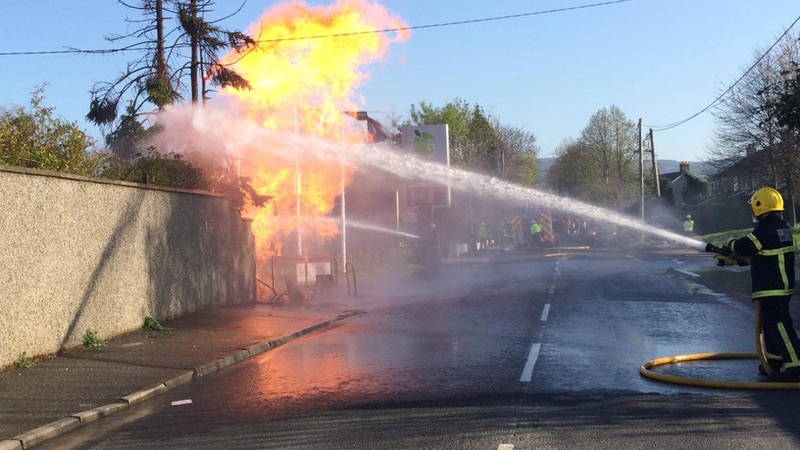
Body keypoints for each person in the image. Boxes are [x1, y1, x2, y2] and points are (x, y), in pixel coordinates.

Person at [721, 187, 800, 381]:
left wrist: (729, 244)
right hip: (777, 285)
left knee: (779, 324)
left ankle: (796, 365)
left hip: (773, 287)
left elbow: (745, 246)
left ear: (760, 205)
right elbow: (760, 255)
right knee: (770, 324)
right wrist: (733, 260)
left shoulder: (766, 228)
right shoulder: (780, 226)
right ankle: (774, 361)